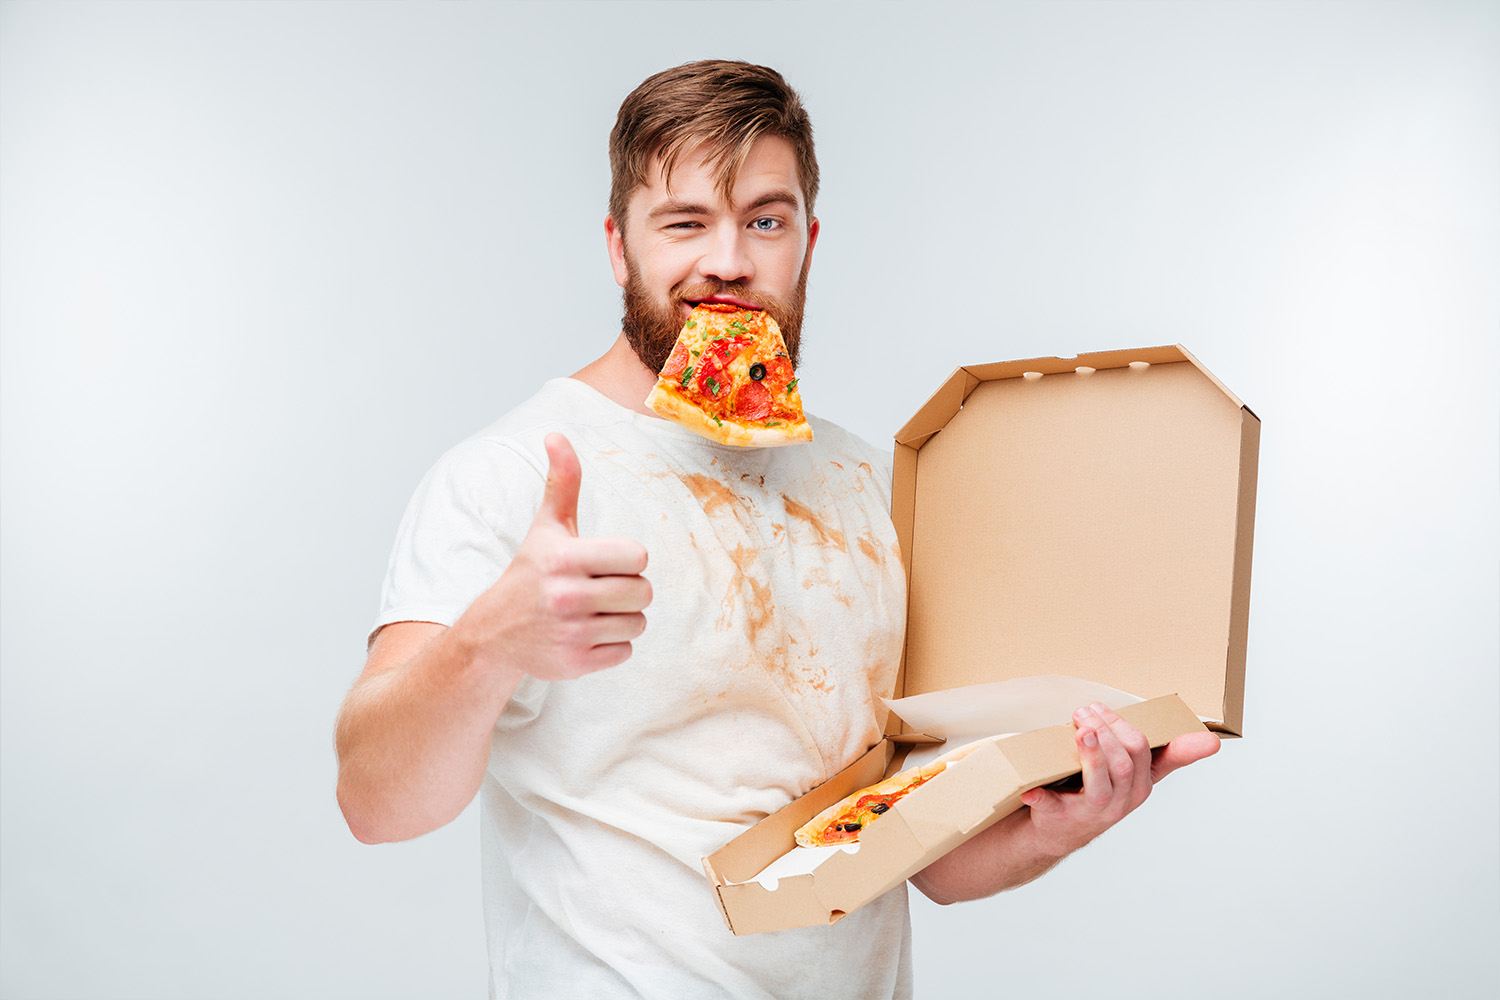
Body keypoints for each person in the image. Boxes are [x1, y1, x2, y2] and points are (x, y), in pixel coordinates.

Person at [335, 59, 1220, 998]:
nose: (729, 261)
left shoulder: (864, 481)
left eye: (765, 218)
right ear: (616, 245)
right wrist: (488, 642)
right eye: (684, 222)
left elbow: (921, 850)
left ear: (808, 239)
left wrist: (1058, 824)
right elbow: (375, 802)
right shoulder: (511, 477)